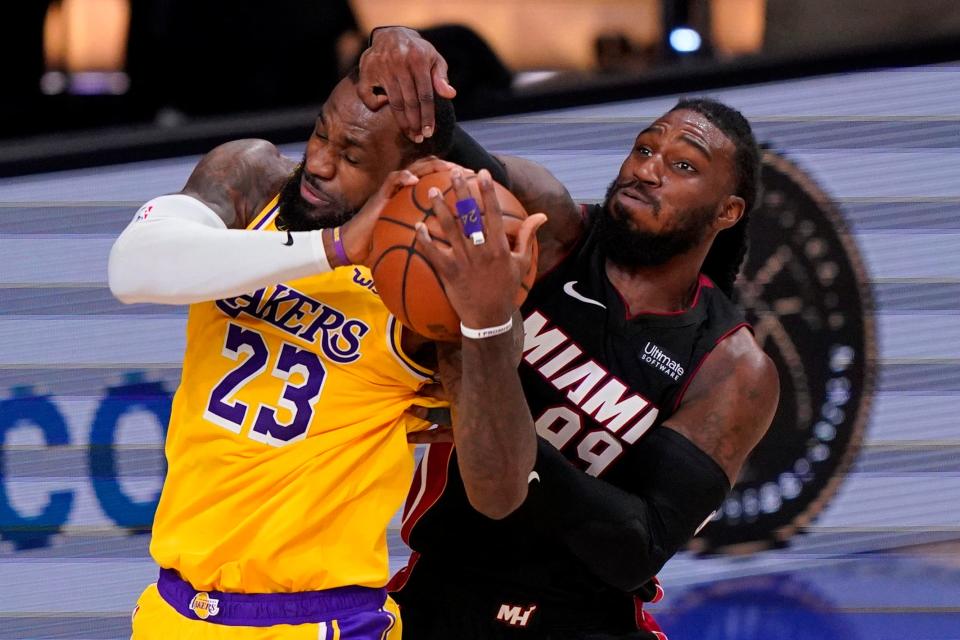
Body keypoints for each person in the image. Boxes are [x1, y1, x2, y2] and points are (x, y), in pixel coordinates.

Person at [107, 27, 535, 639]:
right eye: (319, 131)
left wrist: (490, 323)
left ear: (412, 175)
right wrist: (333, 247)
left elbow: (500, 493)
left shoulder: (438, 288)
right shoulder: (252, 178)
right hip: (175, 609)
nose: (319, 161)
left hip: (323, 618)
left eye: (353, 157)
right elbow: (131, 268)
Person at [389, 98, 781, 639]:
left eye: (682, 165)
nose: (647, 169)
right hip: (436, 593)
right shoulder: (547, 230)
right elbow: (438, 142)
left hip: (584, 622)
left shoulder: (731, 367)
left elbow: (637, 549)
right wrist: (405, 63)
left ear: (727, 211)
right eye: (644, 148)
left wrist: (494, 429)